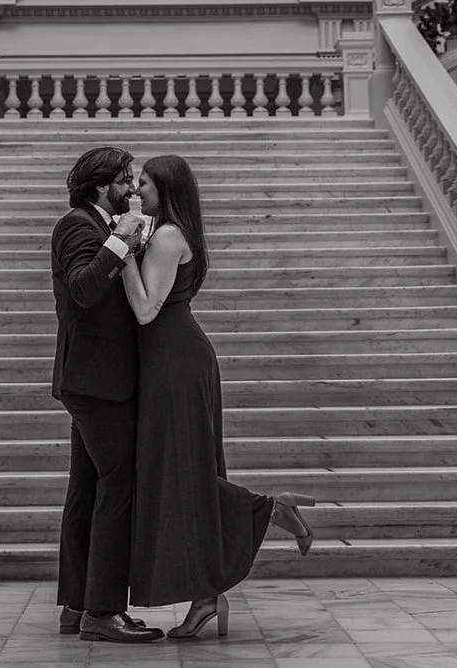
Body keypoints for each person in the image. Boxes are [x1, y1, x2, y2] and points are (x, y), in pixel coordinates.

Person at [119, 154, 316, 640]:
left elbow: (146, 310)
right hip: (174, 361)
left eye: (143, 183)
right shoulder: (171, 230)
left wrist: (121, 251)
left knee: (183, 474)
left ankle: (264, 514)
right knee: (182, 475)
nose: (135, 190)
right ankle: (219, 577)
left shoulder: (166, 237)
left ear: (165, 186)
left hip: (175, 364)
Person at [50, 148, 163, 644]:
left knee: (87, 491)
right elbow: (82, 289)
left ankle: (78, 605)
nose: (132, 189)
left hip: (94, 380)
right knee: (118, 486)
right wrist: (120, 243)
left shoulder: (97, 224)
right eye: (124, 180)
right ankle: (104, 610)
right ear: (101, 186)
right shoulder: (79, 225)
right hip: (98, 382)